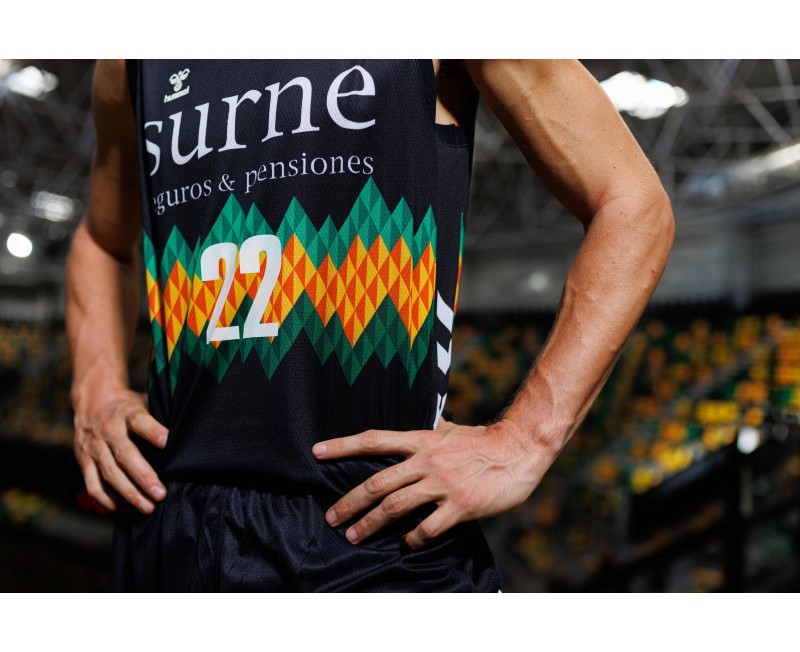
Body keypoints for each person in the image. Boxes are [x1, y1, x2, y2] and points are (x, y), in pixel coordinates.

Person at [66, 59, 674, 591]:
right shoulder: (132, 53)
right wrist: (95, 386)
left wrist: (526, 439)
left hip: (367, 526)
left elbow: (631, 203)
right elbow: (101, 239)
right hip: (172, 517)